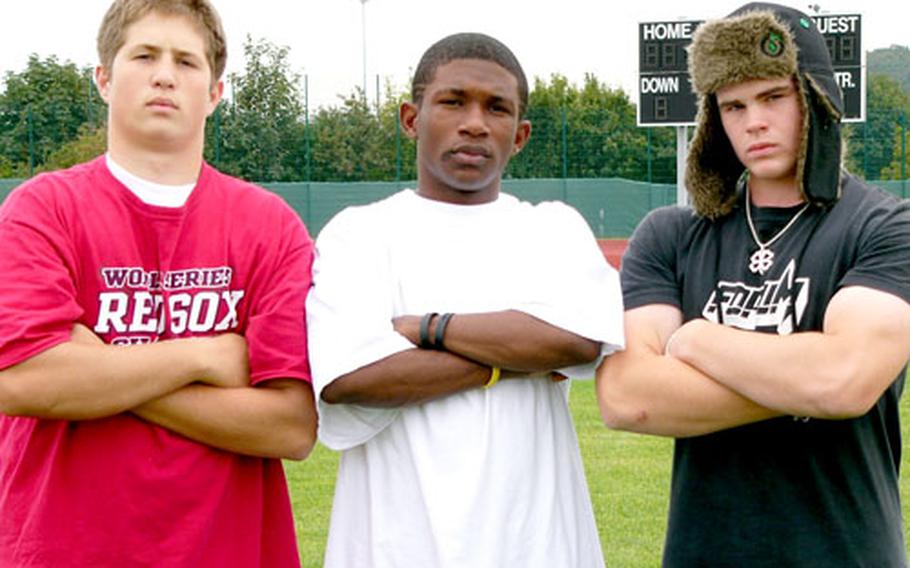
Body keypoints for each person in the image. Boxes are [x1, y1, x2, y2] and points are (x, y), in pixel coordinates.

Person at [0, 1, 317, 566]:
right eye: (144, 55)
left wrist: (99, 369)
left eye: (186, 62)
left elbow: (290, 426)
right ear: (103, 78)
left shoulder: (270, 227)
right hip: (60, 550)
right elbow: (22, 381)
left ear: (216, 92)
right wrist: (204, 355)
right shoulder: (41, 210)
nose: (165, 74)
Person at [597, 3, 910, 566]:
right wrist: (799, 378)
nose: (753, 122)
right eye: (732, 106)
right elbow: (628, 399)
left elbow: (843, 381)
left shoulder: (885, 226)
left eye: (773, 97)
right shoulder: (670, 235)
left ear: (814, 98)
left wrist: (696, 342)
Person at [306, 32, 624, 567]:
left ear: (519, 134)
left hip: (535, 543)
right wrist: (511, 362)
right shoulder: (359, 233)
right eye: (453, 101)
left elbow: (576, 338)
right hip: (396, 543)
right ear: (412, 118)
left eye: (496, 108)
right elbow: (349, 378)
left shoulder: (552, 228)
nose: (475, 122)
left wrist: (425, 329)